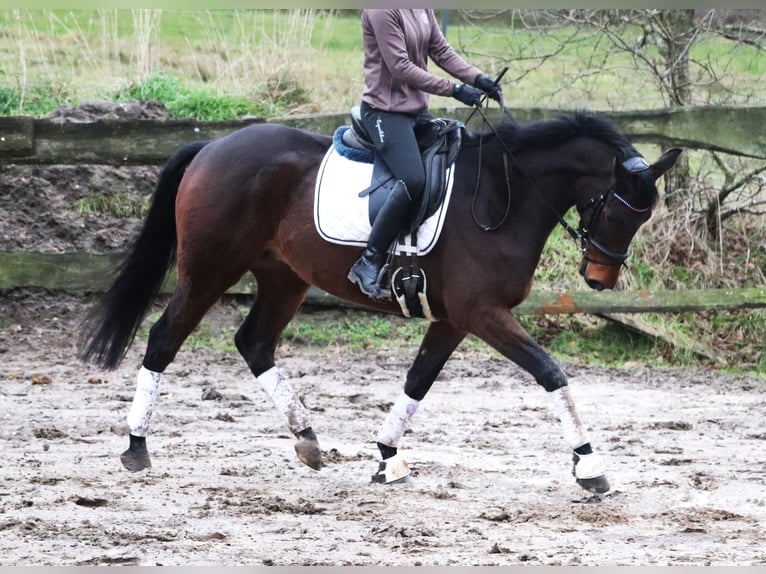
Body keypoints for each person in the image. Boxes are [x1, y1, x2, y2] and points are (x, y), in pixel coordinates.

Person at [347, 8, 503, 301]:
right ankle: (369, 259)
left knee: (458, 147)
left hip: (415, 111)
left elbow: (440, 50)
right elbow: (400, 67)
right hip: (384, 113)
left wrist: (477, 77)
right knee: (413, 179)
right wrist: (455, 90)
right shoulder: (382, 10)